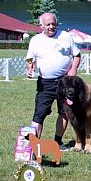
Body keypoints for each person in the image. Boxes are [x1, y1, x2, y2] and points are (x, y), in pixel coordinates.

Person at [25, 12, 81, 151]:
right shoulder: (35, 40)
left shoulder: (65, 36)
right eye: (48, 24)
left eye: (53, 24)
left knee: (65, 112)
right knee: (39, 114)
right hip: (45, 83)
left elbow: (77, 55)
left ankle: (57, 142)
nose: (51, 27)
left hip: (65, 82)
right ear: (41, 26)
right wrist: (29, 67)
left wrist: (73, 69)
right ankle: (34, 146)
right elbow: (30, 59)